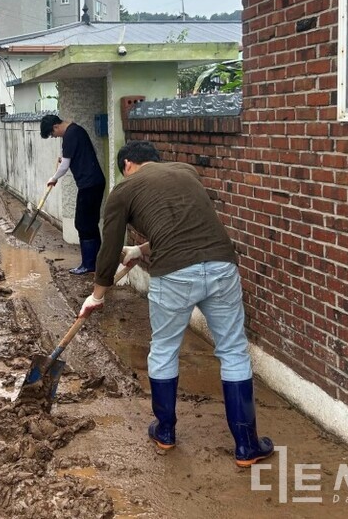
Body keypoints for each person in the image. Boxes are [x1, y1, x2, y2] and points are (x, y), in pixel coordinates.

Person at [79, 140, 274, 467]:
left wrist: (96, 295)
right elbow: (184, 226)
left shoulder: (123, 192)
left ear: (127, 164)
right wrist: (140, 251)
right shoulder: (186, 172)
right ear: (156, 161)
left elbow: (108, 250)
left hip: (174, 275)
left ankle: (165, 432)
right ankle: (246, 446)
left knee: (165, 349)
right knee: (233, 351)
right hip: (222, 265)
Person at [40, 114, 106, 275]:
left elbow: (65, 166)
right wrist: (64, 159)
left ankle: (89, 264)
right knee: (89, 223)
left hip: (89, 184)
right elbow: (87, 152)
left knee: (83, 224)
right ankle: (96, 262)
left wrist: (53, 178)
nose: (54, 137)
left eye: (52, 134)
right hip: (94, 182)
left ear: (56, 126)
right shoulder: (77, 131)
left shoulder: (70, 134)